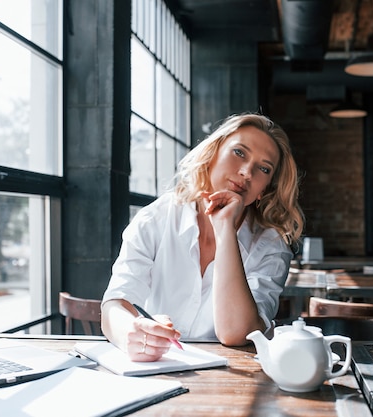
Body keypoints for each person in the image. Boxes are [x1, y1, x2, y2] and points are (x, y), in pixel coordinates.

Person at [101, 112, 304, 361]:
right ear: (213, 154)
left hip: (231, 381)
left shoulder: (271, 245)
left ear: (265, 189)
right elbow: (115, 304)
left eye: (263, 168)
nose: (246, 172)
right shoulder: (157, 218)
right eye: (239, 152)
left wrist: (225, 230)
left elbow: (237, 333)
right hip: (156, 368)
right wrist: (129, 333)